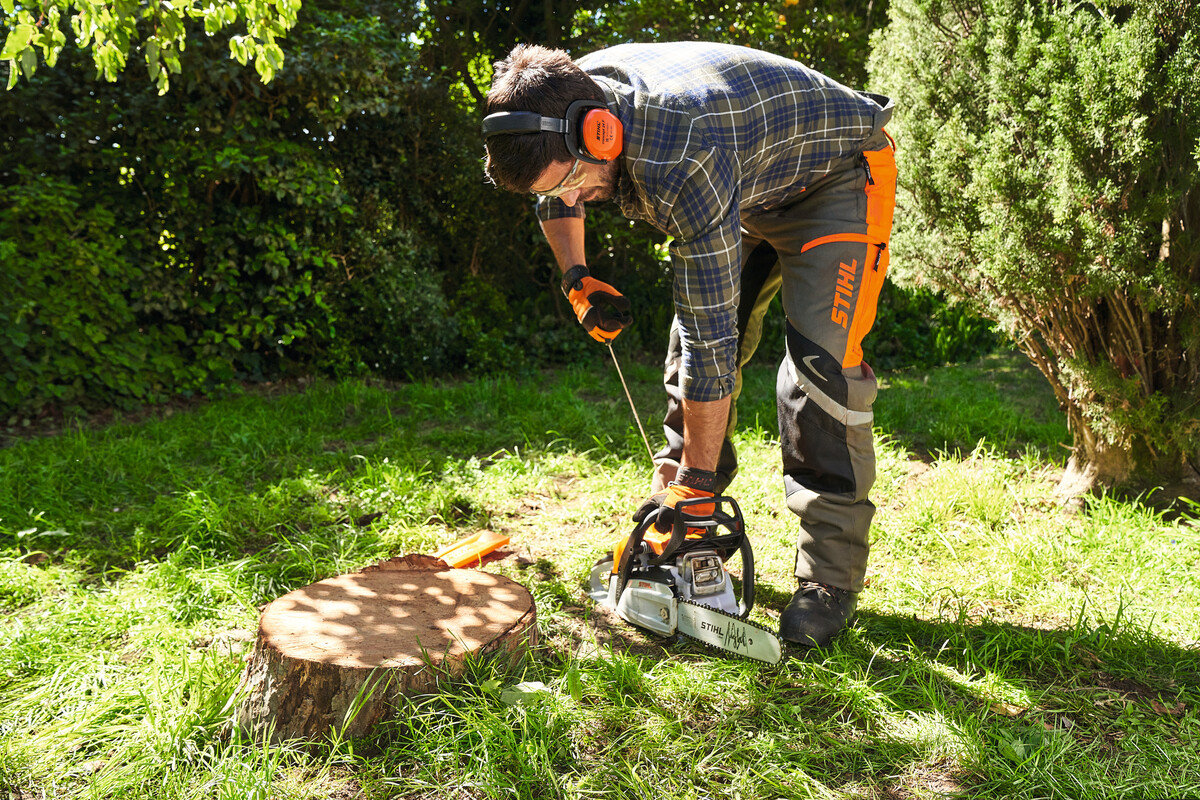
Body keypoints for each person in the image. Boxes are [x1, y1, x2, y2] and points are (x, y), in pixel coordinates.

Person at [481, 41, 896, 648]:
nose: (569, 197)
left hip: (836, 178)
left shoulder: (682, 156)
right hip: (747, 180)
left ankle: (828, 579)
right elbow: (555, 186)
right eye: (553, 189)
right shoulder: (556, 103)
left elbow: (713, 340)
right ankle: (683, 525)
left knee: (818, 373)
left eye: (571, 182)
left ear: (600, 134)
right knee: (685, 357)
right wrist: (576, 277)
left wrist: (697, 481)